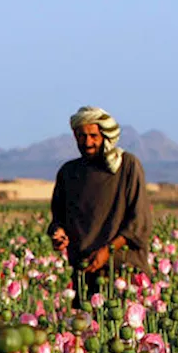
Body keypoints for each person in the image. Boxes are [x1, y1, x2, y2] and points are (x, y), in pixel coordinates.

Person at [47, 106, 152, 300]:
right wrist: (58, 233)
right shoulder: (69, 173)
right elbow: (58, 218)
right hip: (86, 274)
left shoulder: (127, 166)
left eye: (93, 135)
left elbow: (139, 223)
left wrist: (107, 251)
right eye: (81, 136)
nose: (87, 142)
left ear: (105, 135)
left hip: (124, 274)